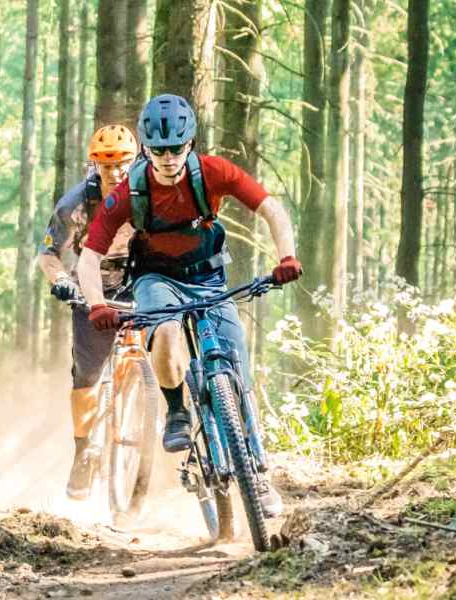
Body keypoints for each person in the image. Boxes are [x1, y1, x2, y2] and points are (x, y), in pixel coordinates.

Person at [76, 94, 302, 518]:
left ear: (190, 143)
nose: (167, 158)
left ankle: (258, 473)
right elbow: (89, 257)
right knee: (164, 332)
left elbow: (271, 209)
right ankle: (178, 412)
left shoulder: (214, 172)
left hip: (209, 277)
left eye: (176, 148)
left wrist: (286, 256)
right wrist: (95, 306)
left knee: (237, 369)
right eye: (157, 149)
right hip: (155, 278)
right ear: (144, 148)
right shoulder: (130, 190)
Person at [37, 124, 138, 500]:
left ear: (135, 161)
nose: (115, 173)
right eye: (106, 165)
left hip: (138, 280)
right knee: (88, 374)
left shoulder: (146, 194)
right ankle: (83, 451)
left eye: (122, 164)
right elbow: (48, 253)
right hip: (91, 288)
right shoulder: (75, 204)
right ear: (93, 164)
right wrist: (61, 280)